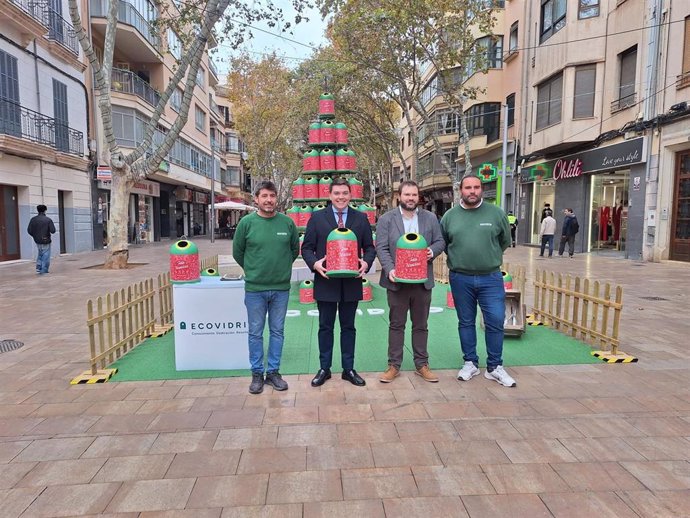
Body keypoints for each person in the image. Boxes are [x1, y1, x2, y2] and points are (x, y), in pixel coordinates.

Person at [440, 175, 516, 387]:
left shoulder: (496, 213)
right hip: (460, 278)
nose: (472, 191)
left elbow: (504, 241)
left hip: (490, 277)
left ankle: (494, 367)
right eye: (467, 188)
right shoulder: (449, 216)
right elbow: (445, 243)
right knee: (465, 321)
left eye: (476, 187)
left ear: (481, 189)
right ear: (460, 190)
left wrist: (486, 258)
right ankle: (470, 362)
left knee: (495, 320)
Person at [301, 178, 376, 387]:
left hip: (351, 282)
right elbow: (307, 248)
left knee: (348, 327)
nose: (341, 197)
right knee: (325, 327)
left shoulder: (360, 218)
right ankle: (324, 368)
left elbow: (370, 247)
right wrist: (315, 264)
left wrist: (366, 264)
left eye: (344, 193)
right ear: (330, 195)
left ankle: (348, 369)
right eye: (337, 193)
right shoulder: (317, 218)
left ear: (350, 195)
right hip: (325, 281)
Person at [233, 181, 300, 394]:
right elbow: (238, 252)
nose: (269, 200)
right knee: (255, 332)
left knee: (277, 331)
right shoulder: (246, 223)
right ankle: (256, 374)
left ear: (276, 197)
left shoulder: (287, 224)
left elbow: (294, 250)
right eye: (264, 196)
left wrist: (279, 269)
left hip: (280, 288)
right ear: (256, 199)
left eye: (272, 195)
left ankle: (273, 373)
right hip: (255, 289)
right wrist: (254, 270)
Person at [376, 181, 445, 383]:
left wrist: (432, 251)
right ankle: (393, 365)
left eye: (414, 195)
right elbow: (381, 247)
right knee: (397, 324)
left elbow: (440, 241)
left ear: (418, 197)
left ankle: (421, 364)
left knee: (421, 325)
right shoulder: (387, 219)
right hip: (397, 282)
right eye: (407, 194)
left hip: (422, 282)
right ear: (400, 196)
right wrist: (390, 269)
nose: (411, 198)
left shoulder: (430, 218)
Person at [27, 204, 56, 275]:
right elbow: (53, 230)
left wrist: (35, 236)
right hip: (46, 240)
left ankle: (38, 268)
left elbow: (29, 230)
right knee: (46, 255)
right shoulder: (48, 220)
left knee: (40, 253)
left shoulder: (33, 219)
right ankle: (44, 270)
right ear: (45, 210)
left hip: (37, 240)